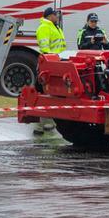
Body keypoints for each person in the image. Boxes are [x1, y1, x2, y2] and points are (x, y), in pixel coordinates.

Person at [33, 7, 67, 136]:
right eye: (54, 15)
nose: (56, 17)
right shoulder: (44, 28)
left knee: (54, 93)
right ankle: (42, 123)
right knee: (44, 92)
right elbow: (45, 47)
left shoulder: (54, 26)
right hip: (49, 64)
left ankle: (48, 122)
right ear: (48, 16)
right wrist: (50, 61)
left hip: (57, 63)